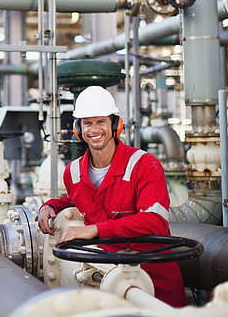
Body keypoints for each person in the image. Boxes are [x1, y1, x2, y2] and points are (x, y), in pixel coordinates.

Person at [38, 85, 186, 308]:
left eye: (101, 122)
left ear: (115, 125)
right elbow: (77, 200)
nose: (94, 129)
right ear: (79, 129)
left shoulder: (144, 165)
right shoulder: (73, 172)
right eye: (87, 123)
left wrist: (94, 230)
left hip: (154, 285)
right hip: (107, 281)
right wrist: (49, 206)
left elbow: (155, 221)